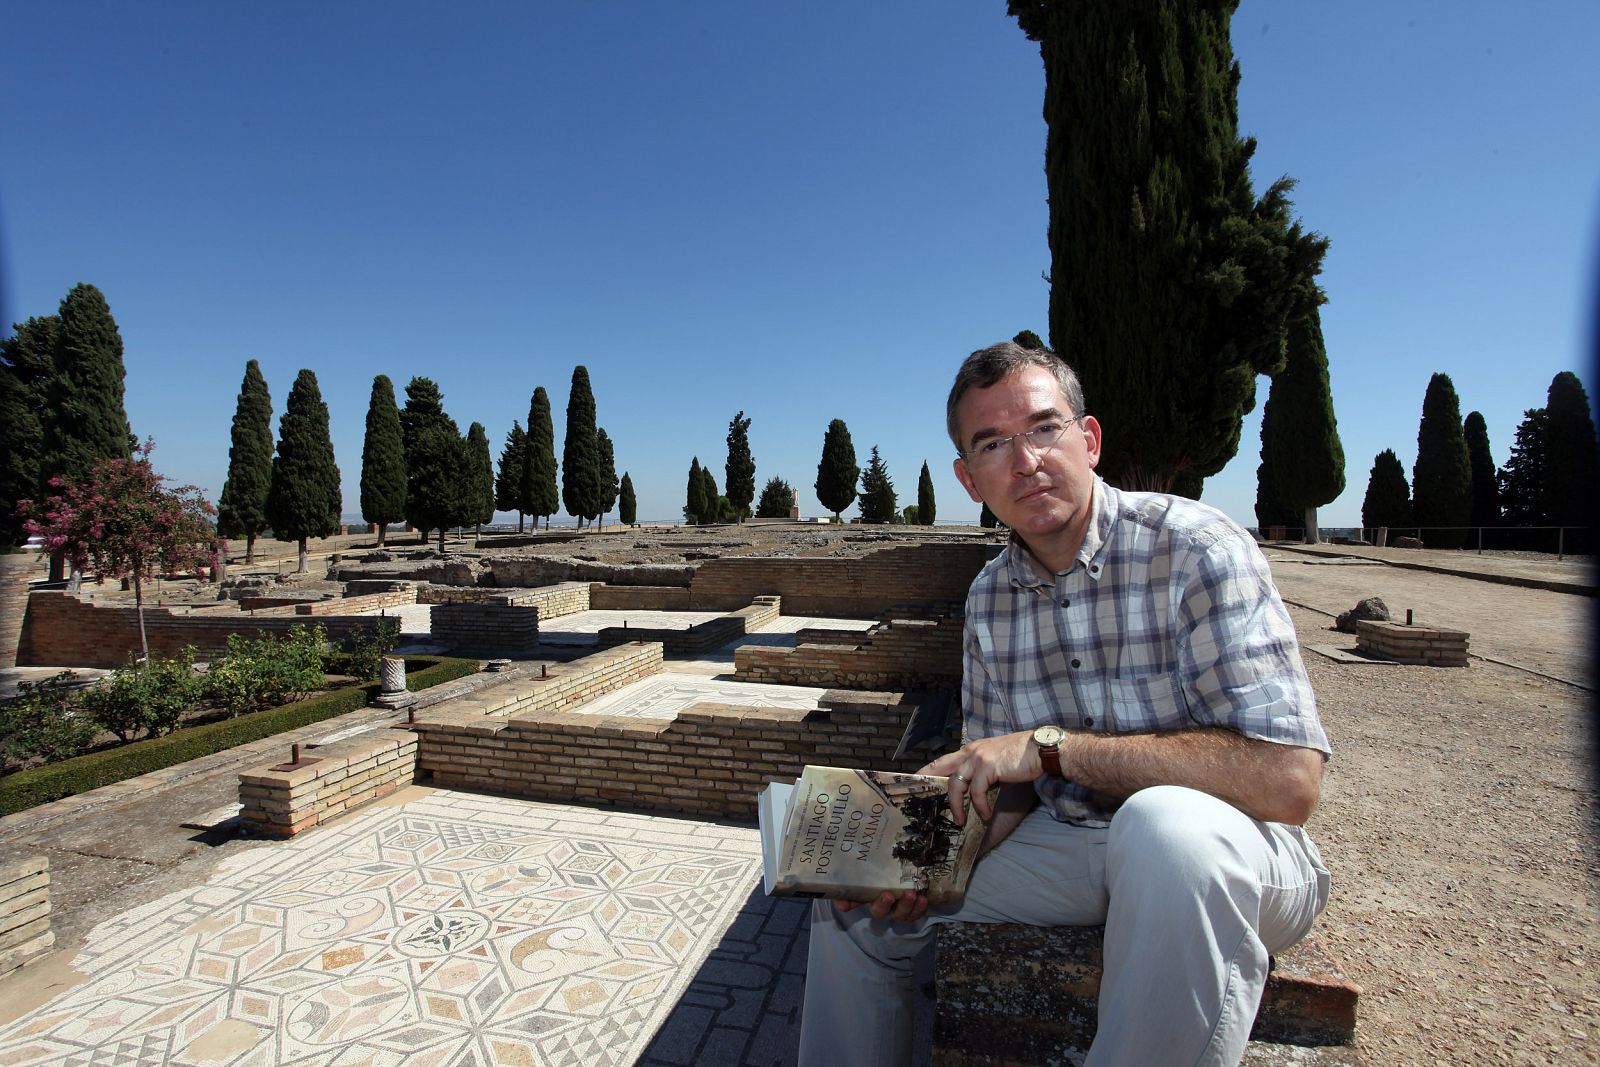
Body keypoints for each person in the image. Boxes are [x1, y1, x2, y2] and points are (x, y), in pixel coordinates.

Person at [799, 341, 1332, 1067]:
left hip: (1237, 853)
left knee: (1162, 826)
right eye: (992, 443)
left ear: (1089, 439)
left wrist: (1053, 748)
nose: (1026, 461)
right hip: (1074, 842)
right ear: (969, 478)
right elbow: (1008, 791)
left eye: (1044, 428)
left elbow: (1289, 780)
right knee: (850, 910)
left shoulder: (1199, 549)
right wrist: (926, 865)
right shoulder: (991, 594)